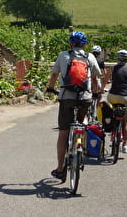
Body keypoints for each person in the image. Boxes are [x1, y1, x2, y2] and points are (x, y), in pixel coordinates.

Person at [47, 31, 101, 181]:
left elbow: (54, 75)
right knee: (82, 121)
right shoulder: (90, 57)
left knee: (63, 132)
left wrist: (51, 88)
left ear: (71, 43)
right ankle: (80, 142)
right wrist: (95, 93)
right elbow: (96, 77)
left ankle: (60, 169)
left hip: (66, 97)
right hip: (85, 98)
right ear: (84, 44)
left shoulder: (63, 55)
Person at [104, 49, 127, 154]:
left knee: (111, 111)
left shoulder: (112, 69)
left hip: (113, 96)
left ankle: (113, 127)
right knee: (125, 121)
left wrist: (101, 89)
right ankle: (125, 145)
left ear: (117, 58)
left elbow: (105, 80)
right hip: (125, 97)